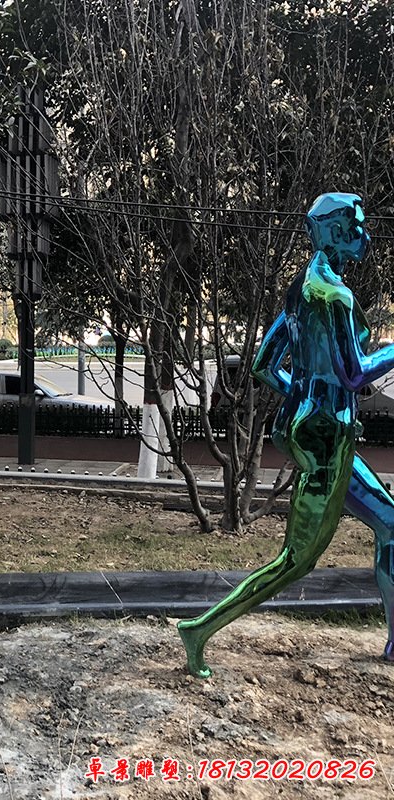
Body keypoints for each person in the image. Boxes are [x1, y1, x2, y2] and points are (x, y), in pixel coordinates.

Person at [178, 192, 394, 677]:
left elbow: (264, 364)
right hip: (328, 439)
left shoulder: (303, 287)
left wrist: (304, 399)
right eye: (358, 225)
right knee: (295, 561)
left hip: (320, 430)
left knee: (391, 524)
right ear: (336, 233)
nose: (366, 234)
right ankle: (199, 630)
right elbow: (355, 373)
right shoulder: (335, 295)